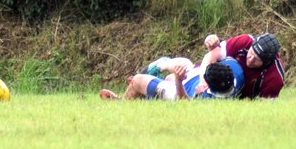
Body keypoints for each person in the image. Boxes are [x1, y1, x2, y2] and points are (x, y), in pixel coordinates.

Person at [98, 56, 243, 101]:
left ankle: (122, 101)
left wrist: (178, 80)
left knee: (137, 80)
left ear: (210, 87)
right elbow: (214, 53)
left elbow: (184, 103)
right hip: (191, 73)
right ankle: (147, 86)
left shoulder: (207, 98)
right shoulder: (236, 71)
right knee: (179, 61)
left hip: (180, 89)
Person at [202, 31, 285, 99]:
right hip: (218, 83)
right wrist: (203, 82)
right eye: (251, 52)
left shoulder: (275, 78)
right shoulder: (245, 41)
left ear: (266, 63)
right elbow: (211, 55)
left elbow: (263, 107)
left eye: (257, 59)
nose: (251, 59)